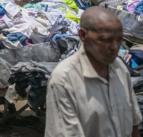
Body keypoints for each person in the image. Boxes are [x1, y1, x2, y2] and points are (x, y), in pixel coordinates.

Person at [45, 7, 141, 137]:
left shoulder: (120, 69)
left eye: (119, 40)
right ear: (83, 36)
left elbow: (134, 124)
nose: (114, 47)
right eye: (105, 39)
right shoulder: (64, 80)